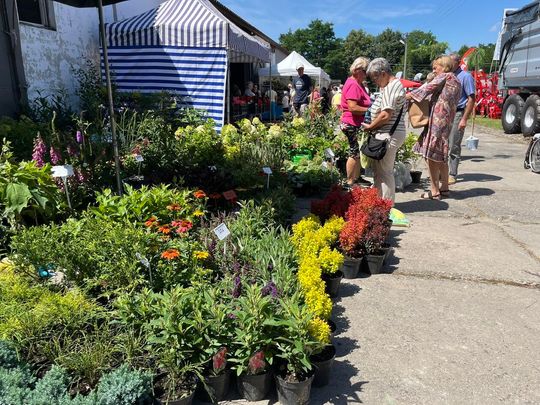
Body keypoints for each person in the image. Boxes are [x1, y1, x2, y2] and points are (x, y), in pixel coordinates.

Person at [406, 55, 461, 200]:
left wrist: (406, 96)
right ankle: (444, 188)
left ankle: (434, 190)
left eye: (435, 67)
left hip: (437, 120)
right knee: (441, 156)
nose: (434, 70)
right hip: (446, 121)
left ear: (444, 67)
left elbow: (427, 88)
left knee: (431, 156)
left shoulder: (445, 76)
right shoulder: (456, 80)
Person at [362, 58, 406, 203]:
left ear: (383, 73)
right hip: (388, 133)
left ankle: (386, 206)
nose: (374, 82)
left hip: (389, 134)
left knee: (385, 172)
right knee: (380, 171)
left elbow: (386, 115)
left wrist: (371, 127)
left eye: (375, 78)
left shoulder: (392, 86)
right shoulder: (390, 86)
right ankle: (379, 202)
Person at [340, 56, 372, 188]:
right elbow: (353, 107)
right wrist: (370, 110)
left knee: (357, 152)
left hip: (354, 123)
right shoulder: (353, 84)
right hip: (351, 123)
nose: (367, 74)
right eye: (365, 71)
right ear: (357, 70)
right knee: (354, 152)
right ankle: (349, 182)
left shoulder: (357, 83)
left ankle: (357, 178)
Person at [448, 53, 476, 185]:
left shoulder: (466, 77)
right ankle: (442, 172)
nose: (448, 64)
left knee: (454, 144)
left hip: (458, 113)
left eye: (451, 61)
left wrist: (464, 118)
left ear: (458, 62)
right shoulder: (448, 76)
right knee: (443, 144)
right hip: (445, 113)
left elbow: (471, 98)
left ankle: (452, 173)